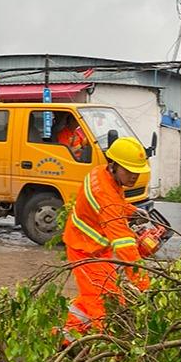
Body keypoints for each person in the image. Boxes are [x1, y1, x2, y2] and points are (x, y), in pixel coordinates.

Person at [61, 137, 153, 342]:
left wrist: (131, 211)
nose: (133, 177)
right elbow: (124, 243)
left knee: (93, 299)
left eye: (137, 172)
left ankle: (64, 339)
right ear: (114, 165)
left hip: (94, 247)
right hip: (84, 249)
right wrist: (144, 284)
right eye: (129, 171)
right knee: (105, 303)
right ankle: (109, 349)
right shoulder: (105, 193)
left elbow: (115, 203)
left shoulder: (103, 174)